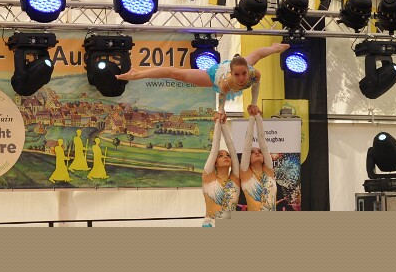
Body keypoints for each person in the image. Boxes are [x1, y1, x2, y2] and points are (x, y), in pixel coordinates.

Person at [116, 42, 290, 117]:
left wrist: (253, 103)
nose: (242, 78)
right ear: (231, 73)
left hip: (240, 64)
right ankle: (137, 74)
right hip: (215, 74)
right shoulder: (225, 81)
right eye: (237, 75)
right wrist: (221, 111)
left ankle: (275, 48)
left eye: (243, 74)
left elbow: (256, 84)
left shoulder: (253, 73)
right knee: (176, 74)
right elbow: (222, 97)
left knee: (257, 55)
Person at [201, 113, 240, 228]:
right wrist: (218, 124)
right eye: (221, 156)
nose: (226, 157)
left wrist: (223, 125)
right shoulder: (208, 177)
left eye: (227, 155)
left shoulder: (235, 179)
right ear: (215, 162)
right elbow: (214, 149)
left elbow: (232, 150)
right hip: (210, 224)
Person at [239, 105, 277, 211]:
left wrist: (258, 117)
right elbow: (247, 144)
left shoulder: (269, 170)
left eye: (260, 152)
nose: (257, 153)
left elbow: (262, 141)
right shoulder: (245, 172)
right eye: (253, 152)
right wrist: (252, 117)